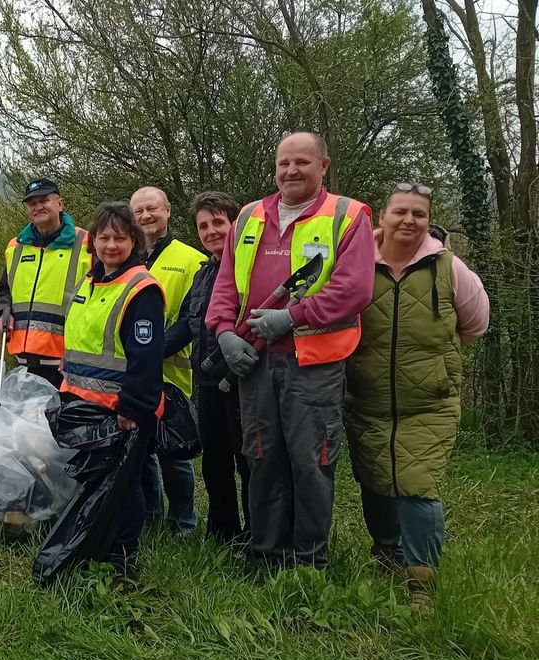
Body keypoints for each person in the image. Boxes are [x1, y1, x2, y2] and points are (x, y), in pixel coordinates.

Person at [206, 131, 375, 569]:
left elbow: (354, 289)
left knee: (310, 459)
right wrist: (224, 332)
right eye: (284, 163)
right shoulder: (247, 216)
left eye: (302, 162)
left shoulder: (347, 216)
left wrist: (294, 316)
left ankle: (308, 560)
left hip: (312, 364)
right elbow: (227, 283)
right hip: (254, 361)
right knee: (261, 456)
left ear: (324, 165)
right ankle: (266, 553)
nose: (291, 171)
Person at [344, 183, 488, 606]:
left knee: (416, 486)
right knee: (373, 479)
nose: (409, 220)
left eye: (419, 214)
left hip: (430, 401)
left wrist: (432, 363)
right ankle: (387, 552)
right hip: (366, 397)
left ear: (429, 221)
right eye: (400, 212)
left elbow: (475, 324)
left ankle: (420, 580)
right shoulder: (354, 263)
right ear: (381, 217)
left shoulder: (449, 269)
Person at [60, 201, 165, 567]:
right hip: (83, 402)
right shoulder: (90, 282)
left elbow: (146, 357)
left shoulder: (141, 289)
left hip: (122, 408)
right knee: (98, 482)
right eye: (103, 238)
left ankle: (122, 555)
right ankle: (98, 547)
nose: (110, 246)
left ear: (133, 241)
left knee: (125, 484)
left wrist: (132, 408)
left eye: (119, 238)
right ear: (93, 243)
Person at [164, 192, 248, 543]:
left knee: (249, 463)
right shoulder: (203, 273)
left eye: (218, 223)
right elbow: (188, 324)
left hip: (243, 383)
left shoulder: (248, 269)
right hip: (208, 383)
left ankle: (256, 536)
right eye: (204, 225)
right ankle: (222, 534)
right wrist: (148, 351)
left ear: (235, 225)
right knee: (215, 464)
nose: (212, 231)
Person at [131, 186, 206, 534]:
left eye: (152, 209)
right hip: (130, 373)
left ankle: (183, 522)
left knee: (173, 453)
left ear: (168, 211)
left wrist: (151, 351)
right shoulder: (125, 255)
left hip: (172, 373)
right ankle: (149, 517)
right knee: (139, 450)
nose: (145, 216)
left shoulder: (191, 259)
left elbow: (192, 319)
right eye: (139, 211)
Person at [0, 178, 91, 388]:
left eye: (44, 200)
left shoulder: (87, 244)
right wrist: (3, 309)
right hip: (23, 363)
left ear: (59, 204)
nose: (38, 207)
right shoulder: (16, 246)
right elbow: (5, 290)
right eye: (32, 203)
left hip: (67, 365)